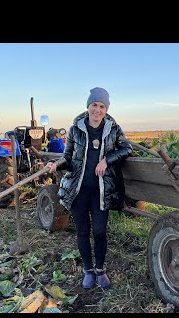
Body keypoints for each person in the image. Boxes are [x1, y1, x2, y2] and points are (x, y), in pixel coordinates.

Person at [46, 87, 132, 290]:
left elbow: (127, 148)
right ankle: (88, 270)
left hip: (101, 190)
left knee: (100, 231)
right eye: (94, 105)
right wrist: (56, 165)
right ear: (88, 105)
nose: (98, 110)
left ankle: (100, 269)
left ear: (106, 108)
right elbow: (68, 157)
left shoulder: (113, 128)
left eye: (102, 106)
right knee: (83, 231)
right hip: (79, 190)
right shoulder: (76, 128)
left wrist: (107, 160)